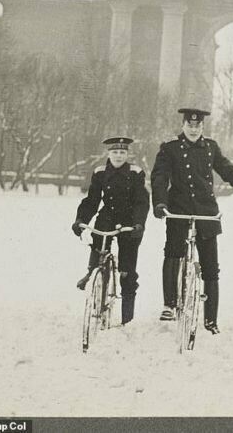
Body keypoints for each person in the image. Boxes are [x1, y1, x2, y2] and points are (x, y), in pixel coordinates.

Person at [151, 108, 233, 335]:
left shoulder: (210, 148)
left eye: (198, 125)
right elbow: (160, 178)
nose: (193, 128)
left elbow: (230, 173)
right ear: (184, 126)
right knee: (173, 253)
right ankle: (170, 305)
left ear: (202, 127)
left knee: (211, 268)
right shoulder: (170, 148)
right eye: (190, 125)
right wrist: (160, 203)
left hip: (206, 213)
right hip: (179, 211)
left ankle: (211, 319)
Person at [72, 136, 149, 325]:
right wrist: (81, 219)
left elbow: (141, 201)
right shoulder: (99, 172)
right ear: (108, 153)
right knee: (98, 242)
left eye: (122, 152)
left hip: (129, 221)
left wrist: (139, 223)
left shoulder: (135, 172)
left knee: (127, 270)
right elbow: (92, 200)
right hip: (107, 217)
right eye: (115, 152)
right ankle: (92, 272)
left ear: (128, 154)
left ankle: (127, 319)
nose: (119, 156)